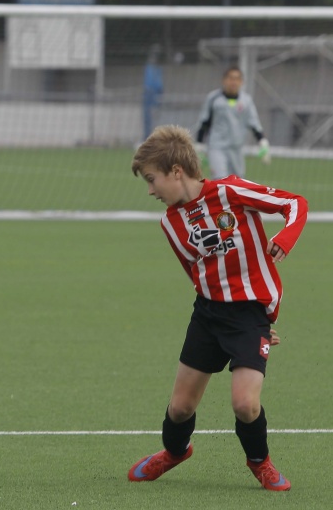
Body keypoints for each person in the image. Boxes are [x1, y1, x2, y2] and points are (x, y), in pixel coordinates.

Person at [127, 125, 307, 491]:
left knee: (244, 404)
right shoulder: (170, 222)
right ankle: (174, 452)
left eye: (151, 179)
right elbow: (195, 273)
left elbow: (294, 203)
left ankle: (261, 462)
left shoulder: (229, 191)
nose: (149, 190)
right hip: (208, 315)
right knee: (179, 409)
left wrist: (285, 238)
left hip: (249, 318)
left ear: (176, 171)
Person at [195, 66, 270, 179]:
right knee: (220, 181)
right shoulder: (213, 98)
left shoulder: (246, 101)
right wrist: (199, 145)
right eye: (230, 78)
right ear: (224, 80)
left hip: (237, 150)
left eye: (237, 79)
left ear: (241, 82)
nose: (233, 82)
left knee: (237, 184)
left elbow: (254, 124)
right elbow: (204, 122)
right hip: (217, 148)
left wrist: (263, 143)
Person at [142, 44, 164, 141]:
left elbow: (159, 86)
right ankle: (147, 137)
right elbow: (150, 84)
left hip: (156, 97)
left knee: (155, 119)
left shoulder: (157, 69)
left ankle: (153, 138)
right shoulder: (150, 68)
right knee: (148, 119)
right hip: (149, 96)